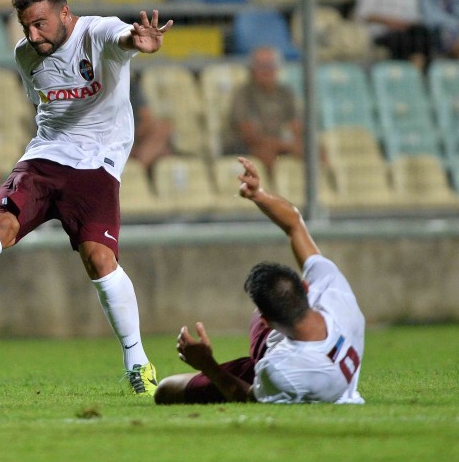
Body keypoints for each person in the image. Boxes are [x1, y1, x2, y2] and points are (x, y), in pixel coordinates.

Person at [0, 0, 173, 396]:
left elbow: (122, 38)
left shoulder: (98, 33)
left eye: (40, 24)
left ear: (64, 13)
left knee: (99, 260)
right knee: (0, 226)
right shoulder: (26, 55)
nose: (33, 35)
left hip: (97, 165)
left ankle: (137, 362)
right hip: (45, 156)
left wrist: (137, 40)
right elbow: (43, 106)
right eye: (26, 26)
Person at [154, 157, 365, 405]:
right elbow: (294, 224)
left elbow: (246, 397)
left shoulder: (280, 370)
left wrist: (206, 363)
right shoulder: (335, 291)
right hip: (301, 351)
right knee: (271, 294)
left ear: (267, 321)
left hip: (285, 364)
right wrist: (259, 195)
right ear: (306, 287)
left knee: (165, 390)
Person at [224, 46, 303, 171]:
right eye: (261, 66)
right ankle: (272, 183)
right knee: (267, 153)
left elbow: (296, 126)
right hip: (247, 146)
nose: (266, 71)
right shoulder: (243, 94)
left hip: (281, 144)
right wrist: (280, 145)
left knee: (315, 151)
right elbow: (248, 133)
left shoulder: (286, 93)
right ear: (252, 69)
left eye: (270, 65)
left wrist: (292, 144)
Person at [354, 0, 433, 70]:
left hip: (407, 31)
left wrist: (406, 24)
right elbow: (363, 13)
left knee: (424, 34)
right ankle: (414, 73)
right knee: (402, 39)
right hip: (381, 32)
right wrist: (391, 22)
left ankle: (416, 71)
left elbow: (415, 16)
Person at [128, 75, 174, 177]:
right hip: (112, 139)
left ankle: (140, 164)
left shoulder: (129, 85)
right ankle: (140, 167)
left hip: (134, 136)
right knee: (163, 150)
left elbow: (146, 116)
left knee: (162, 129)